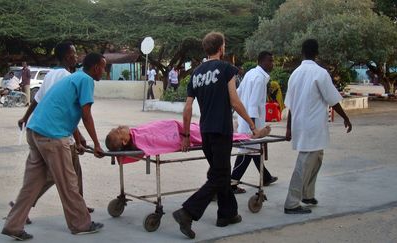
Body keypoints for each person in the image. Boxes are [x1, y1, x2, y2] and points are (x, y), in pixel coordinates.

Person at [1, 53, 106, 241]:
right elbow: (86, 114)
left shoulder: (73, 77)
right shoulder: (86, 80)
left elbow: (63, 110)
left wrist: (79, 140)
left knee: (31, 185)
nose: (104, 72)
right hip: (52, 135)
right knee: (68, 182)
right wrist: (97, 144)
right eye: (103, 67)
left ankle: (13, 225)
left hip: (35, 131)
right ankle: (80, 224)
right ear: (96, 67)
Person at [172, 32, 263, 239]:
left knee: (221, 173)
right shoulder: (226, 69)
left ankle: (227, 214)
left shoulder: (196, 73)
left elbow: (187, 107)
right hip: (221, 130)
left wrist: (186, 134)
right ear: (221, 48)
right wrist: (251, 124)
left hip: (205, 131)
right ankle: (187, 212)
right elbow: (235, 101)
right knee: (219, 175)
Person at [13, 42, 94, 224]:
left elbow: (39, 99)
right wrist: (79, 138)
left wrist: (26, 117)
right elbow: (63, 108)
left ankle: (21, 207)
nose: (77, 56)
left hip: (43, 128)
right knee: (67, 177)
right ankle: (79, 215)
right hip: (57, 132)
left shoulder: (51, 74)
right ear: (67, 57)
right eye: (74, 53)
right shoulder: (67, 76)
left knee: (55, 174)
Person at [283, 39, 352, 214]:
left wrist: (289, 128)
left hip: (301, 125)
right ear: (316, 53)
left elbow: (289, 104)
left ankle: (307, 194)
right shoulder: (320, 73)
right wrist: (345, 117)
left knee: (316, 160)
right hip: (312, 127)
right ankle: (291, 203)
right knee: (304, 164)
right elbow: (332, 100)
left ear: (302, 52)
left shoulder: (295, 74)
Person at [230, 51, 277, 194]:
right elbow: (254, 105)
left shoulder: (251, 73)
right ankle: (232, 183)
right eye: (270, 61)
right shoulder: (259, 78)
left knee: (252, 151)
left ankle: (266, 177)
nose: (272, 64)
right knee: (247, 152)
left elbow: (238, 92)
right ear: (263, 61)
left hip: (247, 121)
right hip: (251, 123)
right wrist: (255, 128)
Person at [105, 120, 269, 157]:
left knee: (203, 127)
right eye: (119, 131)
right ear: (125, 141)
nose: (120, 127)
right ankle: (247, 136)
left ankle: (233, 132)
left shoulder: (134, 133)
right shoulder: (139, 139)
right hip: (179, 134)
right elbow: (157, 141)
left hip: (177, 127)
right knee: (210, 134)